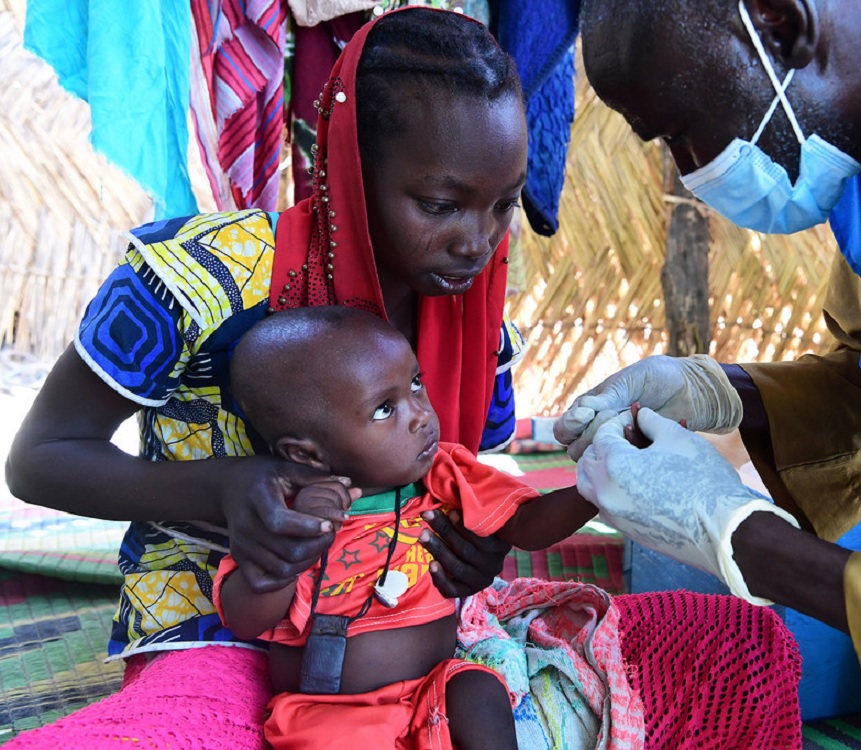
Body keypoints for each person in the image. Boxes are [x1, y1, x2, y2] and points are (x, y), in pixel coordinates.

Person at [3, 8, 529, 746]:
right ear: (351, 164)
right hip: (211, 621)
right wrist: (220, 486)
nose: (476, 241)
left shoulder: (478, 323)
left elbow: (467, 474)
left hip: (411, 637)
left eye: (502, 204)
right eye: (440, 205)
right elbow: (38, 459)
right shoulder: (196, 281)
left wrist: (473, 547)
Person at [560, 0, 861, 746]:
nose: (685, 169)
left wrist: (739, 535)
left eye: (676, 130)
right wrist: (723, 397)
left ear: (774, 24)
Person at [216, 305, 600, 749]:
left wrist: (595, 488)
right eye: (384, 409)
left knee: (479, 689)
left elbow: (527, 524)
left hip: (431, 691)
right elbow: (244, 619)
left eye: (416, 384)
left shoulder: (445, 473)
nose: (419, 414)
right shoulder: (284, 512)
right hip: (329, 715)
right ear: (306, 455)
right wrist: (295, 545)